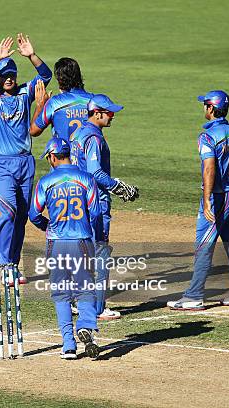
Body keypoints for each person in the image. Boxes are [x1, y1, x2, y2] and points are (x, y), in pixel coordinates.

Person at [0, 34, 52, 281]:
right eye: (4, 75)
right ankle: (1, 263)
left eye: (12, 75)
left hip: (25, 162)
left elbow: (46, 77)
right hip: (1, 164)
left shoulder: (24, 93)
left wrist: (31, 56)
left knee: (22, 216)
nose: (8, 79)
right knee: (9, 212)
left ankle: (12, 265)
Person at [168, 90, 229, 310]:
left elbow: (209, 168)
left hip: (217, 196)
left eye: (205, 105)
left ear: (212, 109)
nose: (203, 108)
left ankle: (194, 296)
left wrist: (207, 199)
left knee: (204, 245)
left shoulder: (207, 136)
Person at [29, 138, 102, 359]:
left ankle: (68, 346)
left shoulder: (46, 182)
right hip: (81, 241)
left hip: (56, 243)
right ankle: (86, 325)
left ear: (52, 156)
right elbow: (96, 214)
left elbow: (33, 215)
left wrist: (47, 226)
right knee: (86, 289)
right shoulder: (87, 179)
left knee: (61, 293)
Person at [70, 94, 139, 320]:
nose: (113, 116)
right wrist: (118, 186)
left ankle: (77, 301)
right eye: (109, 112)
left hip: (78, 200)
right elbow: (95, 172)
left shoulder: (80, 133)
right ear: (97, 113)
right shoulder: (93, 138)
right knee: (100, 253)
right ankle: (97, 308)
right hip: (95, 202)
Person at [29, 57, 93, 142]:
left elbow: (33, 131)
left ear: (59, 80)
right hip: (89, 154)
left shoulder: (55, 103)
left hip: (64, 154)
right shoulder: (93, 100)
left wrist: (40, 105)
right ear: (79, 76)